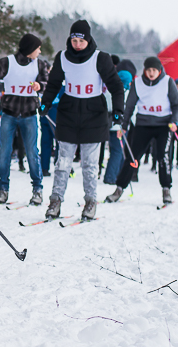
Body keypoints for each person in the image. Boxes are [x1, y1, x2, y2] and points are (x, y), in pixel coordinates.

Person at [40, 20, 124, 220]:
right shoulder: (62, 57)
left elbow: (116, 85)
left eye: (81, 40)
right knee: (63, 161)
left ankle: (90, 202)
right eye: (74, 39)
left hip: (93, 113)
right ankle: (55, 201)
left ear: (88, 39)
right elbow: (53, 84)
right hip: (69, 111)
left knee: (90, 164)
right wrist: (46, 103)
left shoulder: (100, 58)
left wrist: (119, 110)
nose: (77, 44)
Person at [0, 34, 48, 206]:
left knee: (32, 152)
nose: (40, 51)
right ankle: (3, 189)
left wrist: (40, 86)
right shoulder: (7, 62)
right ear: (30, 49)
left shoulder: (40, 64)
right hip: (9, 113)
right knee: (4, 153)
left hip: (30, 115)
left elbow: (48, 83)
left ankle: (37, 189)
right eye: (37, 48)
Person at [106, 57, 178, 206]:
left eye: (154, 70)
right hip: (143, 124)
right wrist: (124, 126)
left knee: (163, 156)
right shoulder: (138, 83)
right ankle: (119, 188)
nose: (152, 73)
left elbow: (177, 104)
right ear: (145, 70)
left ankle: (166, 189)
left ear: (159, 70)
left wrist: (175, 121)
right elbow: (129, 106)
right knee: (132, 157)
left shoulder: (167, 82)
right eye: (149, 70)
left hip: (163, 125)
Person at [103, 70, 133, 185]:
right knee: (117, 152)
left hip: (109, 124)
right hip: (119, 126)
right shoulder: (125, 93)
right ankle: (110, 176)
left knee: (116, 151)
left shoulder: (109, 90)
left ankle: (116, 174)